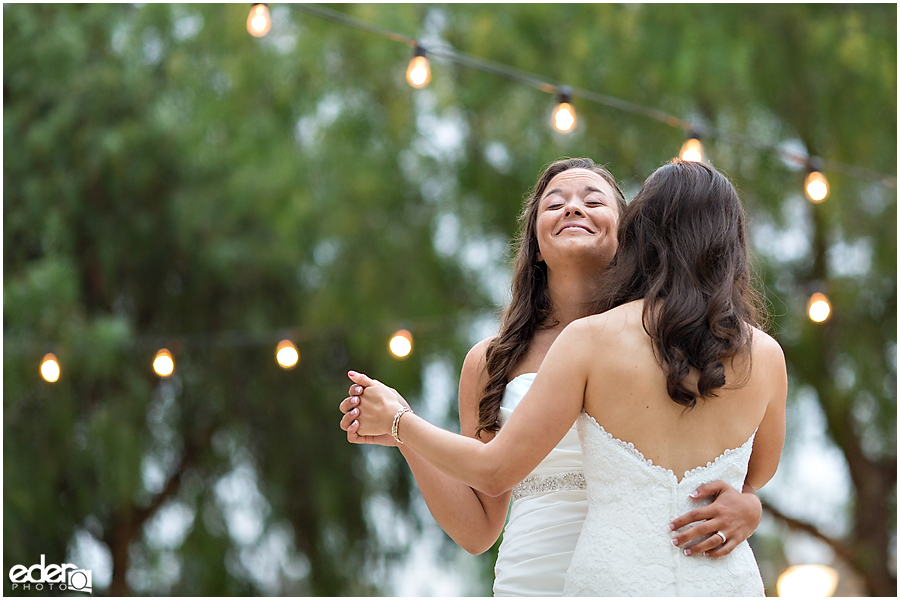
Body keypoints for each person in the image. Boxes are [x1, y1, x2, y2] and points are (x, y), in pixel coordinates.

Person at [339, 158, 767, 596]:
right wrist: (403, 434)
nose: (573, 208)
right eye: (555, 203)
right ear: (536, 247)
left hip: (636, 576)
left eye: (593, 200)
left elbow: (719, 457)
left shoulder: (666, 340)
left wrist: (750, 506)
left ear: (630, 238)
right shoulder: (490, 361)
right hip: (530, 578)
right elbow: (478, 529)